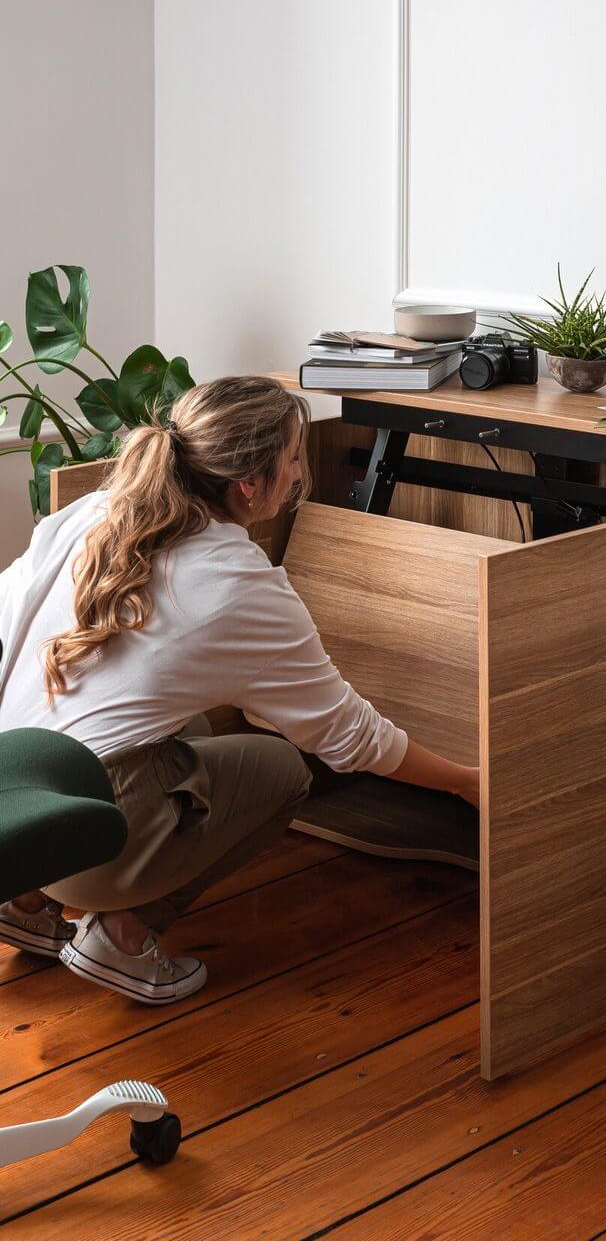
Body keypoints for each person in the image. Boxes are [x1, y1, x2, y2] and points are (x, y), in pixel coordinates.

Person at [0, 376, 478, 1004]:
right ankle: (121, 932)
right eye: (294, 459)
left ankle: (24, 898)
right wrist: (467, 780)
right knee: (283, 767)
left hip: (16, 793)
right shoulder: (236, 581)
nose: (302, 474)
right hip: (84, 836)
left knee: (190, 728)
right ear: (248, 484)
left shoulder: (97, 510)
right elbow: (348, 737)